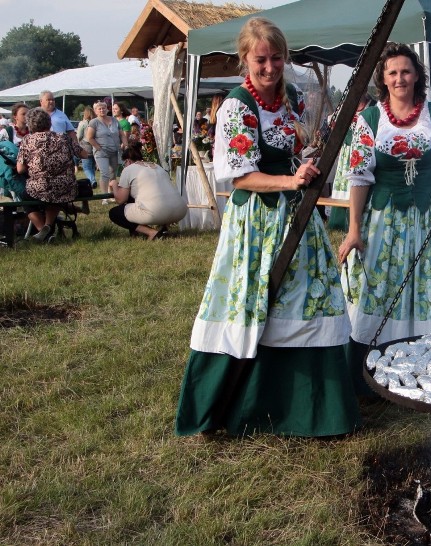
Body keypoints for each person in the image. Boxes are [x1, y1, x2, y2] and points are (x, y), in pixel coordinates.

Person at [175, 17, 357, 438]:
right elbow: (241, 176)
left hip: (295, 212)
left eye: (277, 57)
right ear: (246, 59)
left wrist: (304, 166)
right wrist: (290, 181)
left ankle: (313, 410)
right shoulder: (238, 106)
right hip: (258, 220)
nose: (270, 66)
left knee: (308, 298)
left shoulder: (290, 96)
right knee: (251, 302)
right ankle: (236, 405)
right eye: (261, 59)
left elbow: (290, 146)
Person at [338, 42, 431, 385]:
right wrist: (354, 229)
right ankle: (377, 370)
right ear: (383, 79)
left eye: (406, 72)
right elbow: (359, 179)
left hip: (430, 220)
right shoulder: (370, 120)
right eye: (393, 72)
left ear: (417, 76)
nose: (400, 78)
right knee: (385, 288)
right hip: (386, 222)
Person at [15, 107, 87, 242]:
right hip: (66, 185)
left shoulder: (27, 140)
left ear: (30, 124)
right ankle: (48, 226)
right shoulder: (63, 137)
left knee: (25, 197)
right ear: (49, 122)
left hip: (40, 186)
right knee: (56, 194)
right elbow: (84, 154)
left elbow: (20, 169)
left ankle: (42, 229)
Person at [107, 142, 187, 239]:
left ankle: (151, 232)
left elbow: (121, 200)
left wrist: (114, 184)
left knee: (115, 213)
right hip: (180, 210)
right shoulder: (157, 166)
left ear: (127, 161)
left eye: (124, 163)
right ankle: (164, 228)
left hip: (156, 212)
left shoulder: (128, 169)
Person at [327, 92, 374, 232]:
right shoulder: (345, 108)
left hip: (363, 152)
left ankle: (359, 220)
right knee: (345, 184)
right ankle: (340, 222)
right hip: (347, 155)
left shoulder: (373, 107)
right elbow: (332, 122)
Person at [87, 101, 127, 195]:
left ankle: (112, 193)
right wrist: (98, 148)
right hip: (101, 152)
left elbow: (122, 134)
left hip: (115, 151)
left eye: (103, 108)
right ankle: (104, 196)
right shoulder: (94, 122)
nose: (102, 110)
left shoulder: (114, 120)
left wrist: (126, 145)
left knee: (113, 173)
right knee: (105, 173)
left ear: (107, 109)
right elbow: (89, 138)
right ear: (95, 111)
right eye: (99, 109)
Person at [77, 106, 97, 185]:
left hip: (85, 146)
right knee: (92, 166)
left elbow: (79, 135)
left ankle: (92, 180)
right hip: (95, 146)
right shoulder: (95, 122)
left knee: (86, 167)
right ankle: (93, 180)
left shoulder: (83, 123)